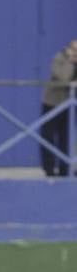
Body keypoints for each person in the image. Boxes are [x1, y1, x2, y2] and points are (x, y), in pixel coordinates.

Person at [40, 39, 77, 177]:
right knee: (48, 137)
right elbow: (63, 78)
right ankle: (49, 169)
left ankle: (65, 169)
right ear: (68, 49)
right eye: (74, 49)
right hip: (52, 103)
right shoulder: (59, 58)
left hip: (70, 105)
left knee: (66, 138)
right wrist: (70, 61)